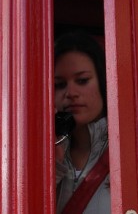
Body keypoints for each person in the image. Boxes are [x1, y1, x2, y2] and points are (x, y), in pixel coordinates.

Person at [54, 30, 110, 214]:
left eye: (82, 80)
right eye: (59, 85)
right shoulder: (47, 157)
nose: (71, 92)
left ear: (103, 82)